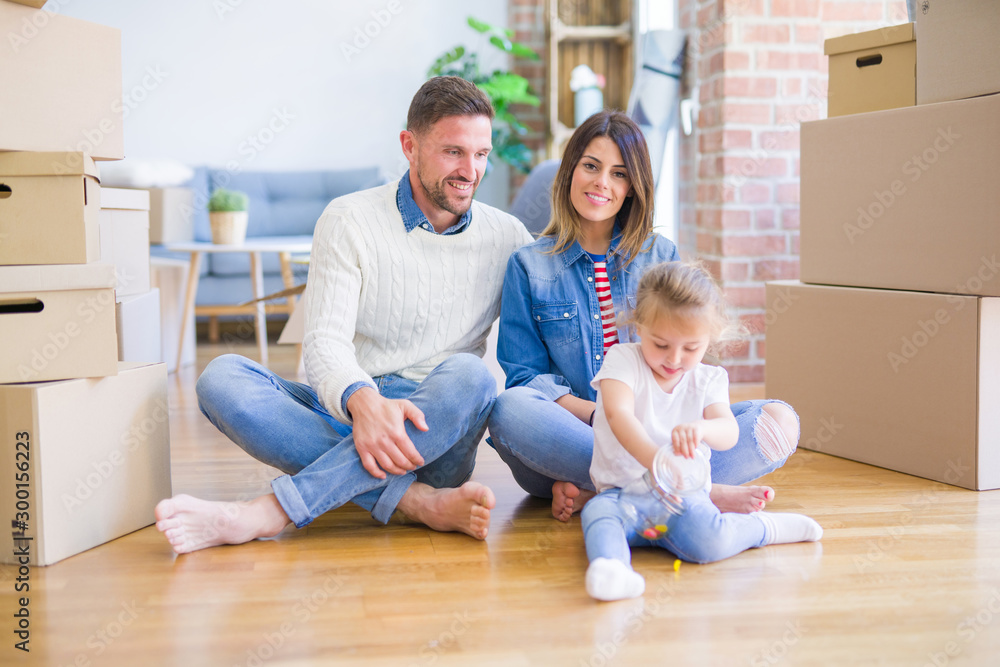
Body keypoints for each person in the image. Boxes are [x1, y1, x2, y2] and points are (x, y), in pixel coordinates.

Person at [155, 76, 533, 554]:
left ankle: (267, 512)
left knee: (472, 376)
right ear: (409, 146)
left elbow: (542, 343)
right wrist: (364, 401)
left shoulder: (509, 236)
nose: (470, 170)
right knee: (220, 378)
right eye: (453, 151)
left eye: (481, 154)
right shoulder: (349, 219)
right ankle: (417, 503)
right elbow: (325, 342)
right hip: (352, 414)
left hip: (432, 430)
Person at [487, 110, 799, 522]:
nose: (602, 183)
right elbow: (527, 379)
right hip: (575, 434)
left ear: (633, 187)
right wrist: (608, 418)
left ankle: (613, 490)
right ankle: (690, 488)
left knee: (780, 421)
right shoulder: (528, 265)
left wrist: (676, 425)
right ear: (570, 171)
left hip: (660, 430)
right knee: (510, 409)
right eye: (591, 167)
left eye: (619, 174)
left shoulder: (661, 255)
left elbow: (683, 360)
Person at [582, 261, 822, 601]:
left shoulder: (709, 379)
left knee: (709, 541)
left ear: (710, 338)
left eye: (691, 348)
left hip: (684, 497)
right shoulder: (622, 359)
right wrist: (659, 463)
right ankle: (613, 569)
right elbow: (619, 415)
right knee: (597, 515)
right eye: (661, 344)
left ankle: (762, 529)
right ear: (639, 326)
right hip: (621, 494)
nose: (674, 359)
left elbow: (729, 433)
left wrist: (703, 428)